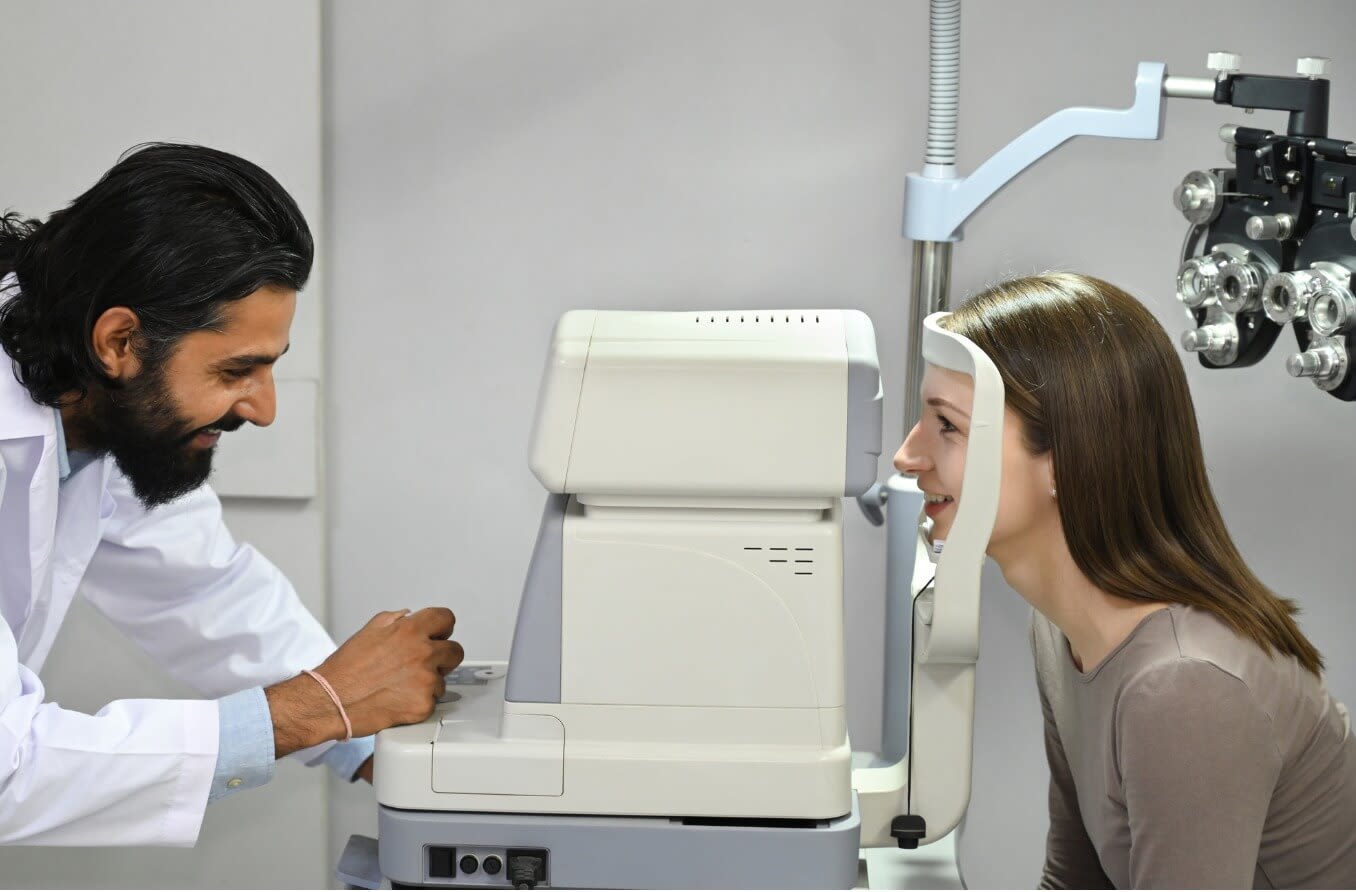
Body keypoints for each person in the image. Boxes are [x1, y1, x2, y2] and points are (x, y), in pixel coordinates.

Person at [0, 143, 464, 846]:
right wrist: (312, 710)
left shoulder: (99, 400)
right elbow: (10, 774)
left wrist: (371, 743)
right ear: (120, 341)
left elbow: (196, 588)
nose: (263, 408)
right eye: (236, 370)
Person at [894, 273, 1356, 888]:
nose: (907, 455)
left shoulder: (1183, 688)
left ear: (1063, 457)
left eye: (947, 426)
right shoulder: (1061, 629)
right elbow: (1075, 879)